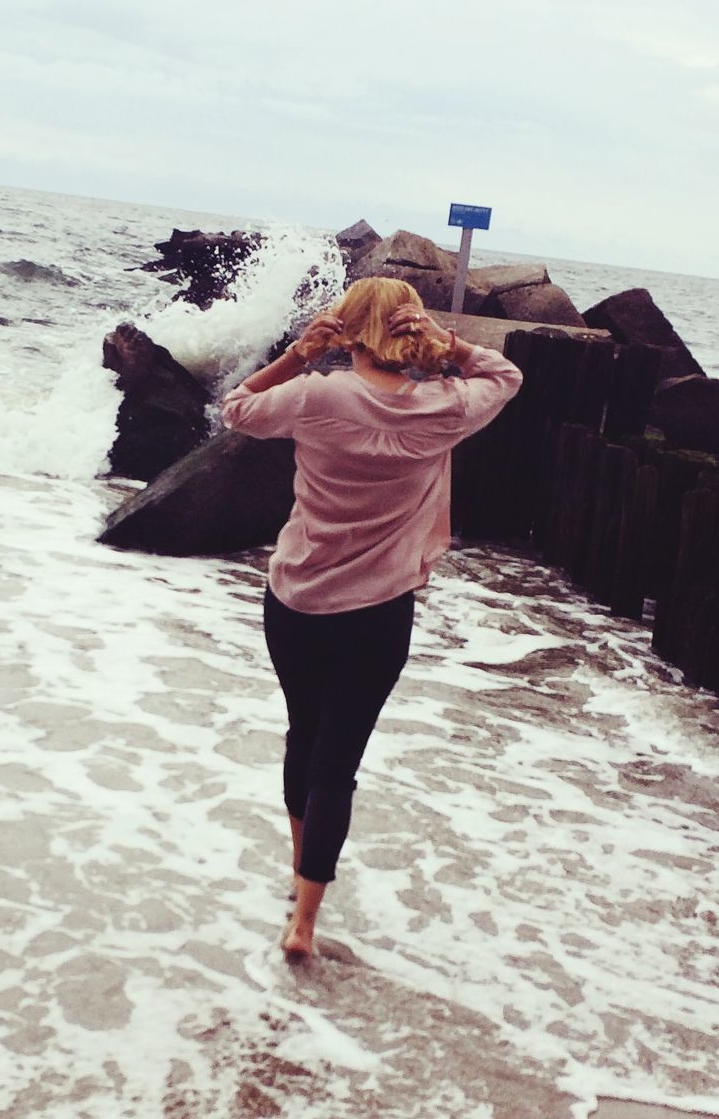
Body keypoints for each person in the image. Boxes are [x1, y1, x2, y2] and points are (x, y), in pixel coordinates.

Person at [220, 276, 523, 959]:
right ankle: (305, 921)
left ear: (348, 332)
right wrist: (446, 346)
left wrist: (299, 355)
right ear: (410, 333)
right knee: (338, 765)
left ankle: (298, 880)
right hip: (378, 615)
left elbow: (237, 408)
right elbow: (505, 373)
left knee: (303, 735)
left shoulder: (317, 395)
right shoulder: (447, 406)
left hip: (296, 600)